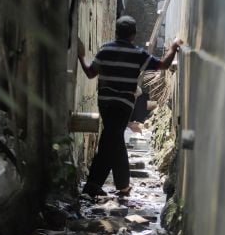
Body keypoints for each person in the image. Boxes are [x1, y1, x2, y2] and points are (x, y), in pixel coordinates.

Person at [77, 15, 183, 197]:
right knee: (113, 139)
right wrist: (173, 47)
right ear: (133, 35)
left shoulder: (104, 50)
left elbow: (90, 73)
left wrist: (80, 56)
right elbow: (163, 65)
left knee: (111, 138)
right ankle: (99, 185)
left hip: (105, 104)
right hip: (124, 105)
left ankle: (117, 185)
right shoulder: (137, 53)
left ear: (116, 32)